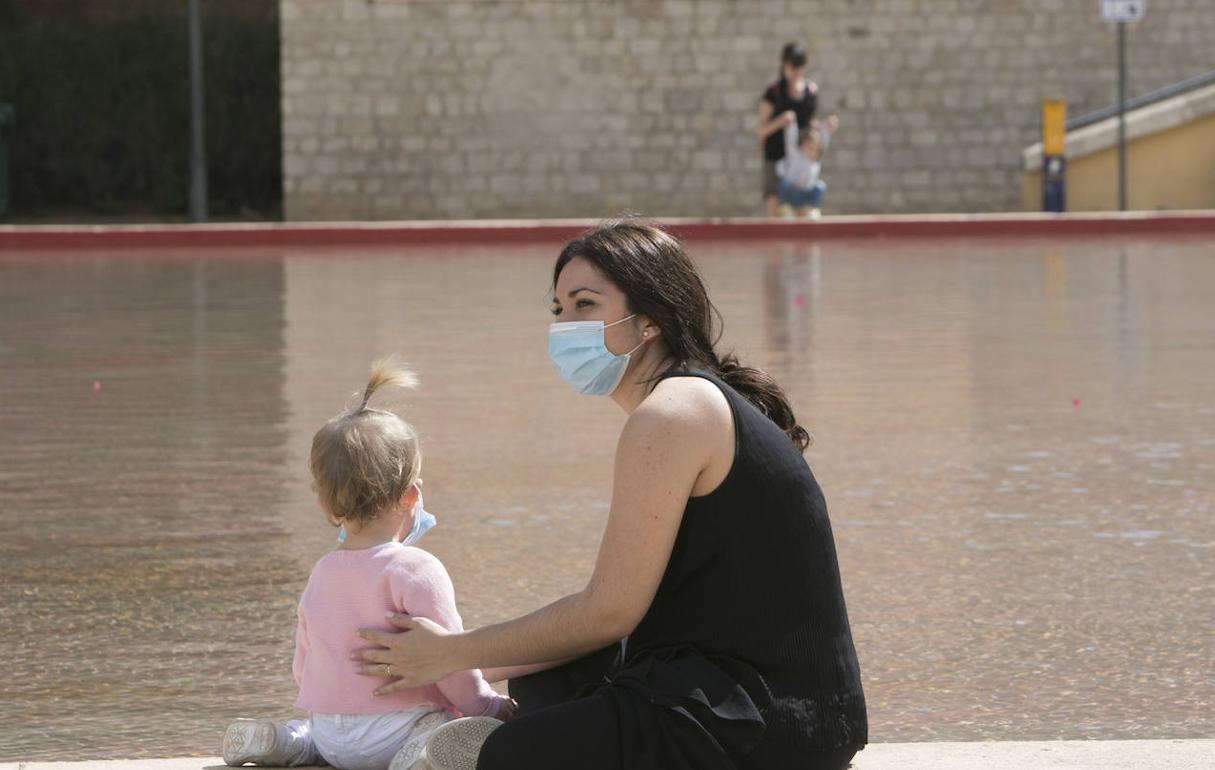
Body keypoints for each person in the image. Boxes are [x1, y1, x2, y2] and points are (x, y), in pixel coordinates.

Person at [351, 221, 868, 770]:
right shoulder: (686, 402)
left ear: (648, 321)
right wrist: (468, 663)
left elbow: (609, 612)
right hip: (734, 687)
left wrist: (452, 654)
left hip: (775, 722)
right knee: (543, 683)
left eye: (584, 305)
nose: (565, 326)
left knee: (504, 752)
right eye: (559, 310)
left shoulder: (672, 414)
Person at [223, 360, 514, 770]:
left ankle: (285, 741)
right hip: (393, 729)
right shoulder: (417, 568)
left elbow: (303, 665)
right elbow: (450, 660)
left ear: (326, 505)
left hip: (329, 731)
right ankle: (421, 752)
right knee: (451, 724)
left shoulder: (323, 571)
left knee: (316, 738)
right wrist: (487, 706)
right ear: (412, 496)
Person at [757, 42, 821, 218]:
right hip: (776, 158)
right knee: (775, 213)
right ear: (783, 64)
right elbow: (761, 131)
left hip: (800, 162)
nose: (795, 73)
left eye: (799, 68)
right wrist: (780, 121)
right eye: (792, 67)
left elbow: (809, 123)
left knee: (802, 213)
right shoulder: (774, 93)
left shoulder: (810, 91)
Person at [776, 116, 839, 218]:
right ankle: (786, 208)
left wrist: (827, 128)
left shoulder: (816, 161)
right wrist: (792, 123)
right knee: (783, 183)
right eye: (809, 148)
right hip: (793, 192)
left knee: (820, 186)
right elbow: (790, 141)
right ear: (801, 147)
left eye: (814, 149)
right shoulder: (796, 156)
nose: (812, 152)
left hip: (806, 193)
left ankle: (812, 208)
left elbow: (823, 141)